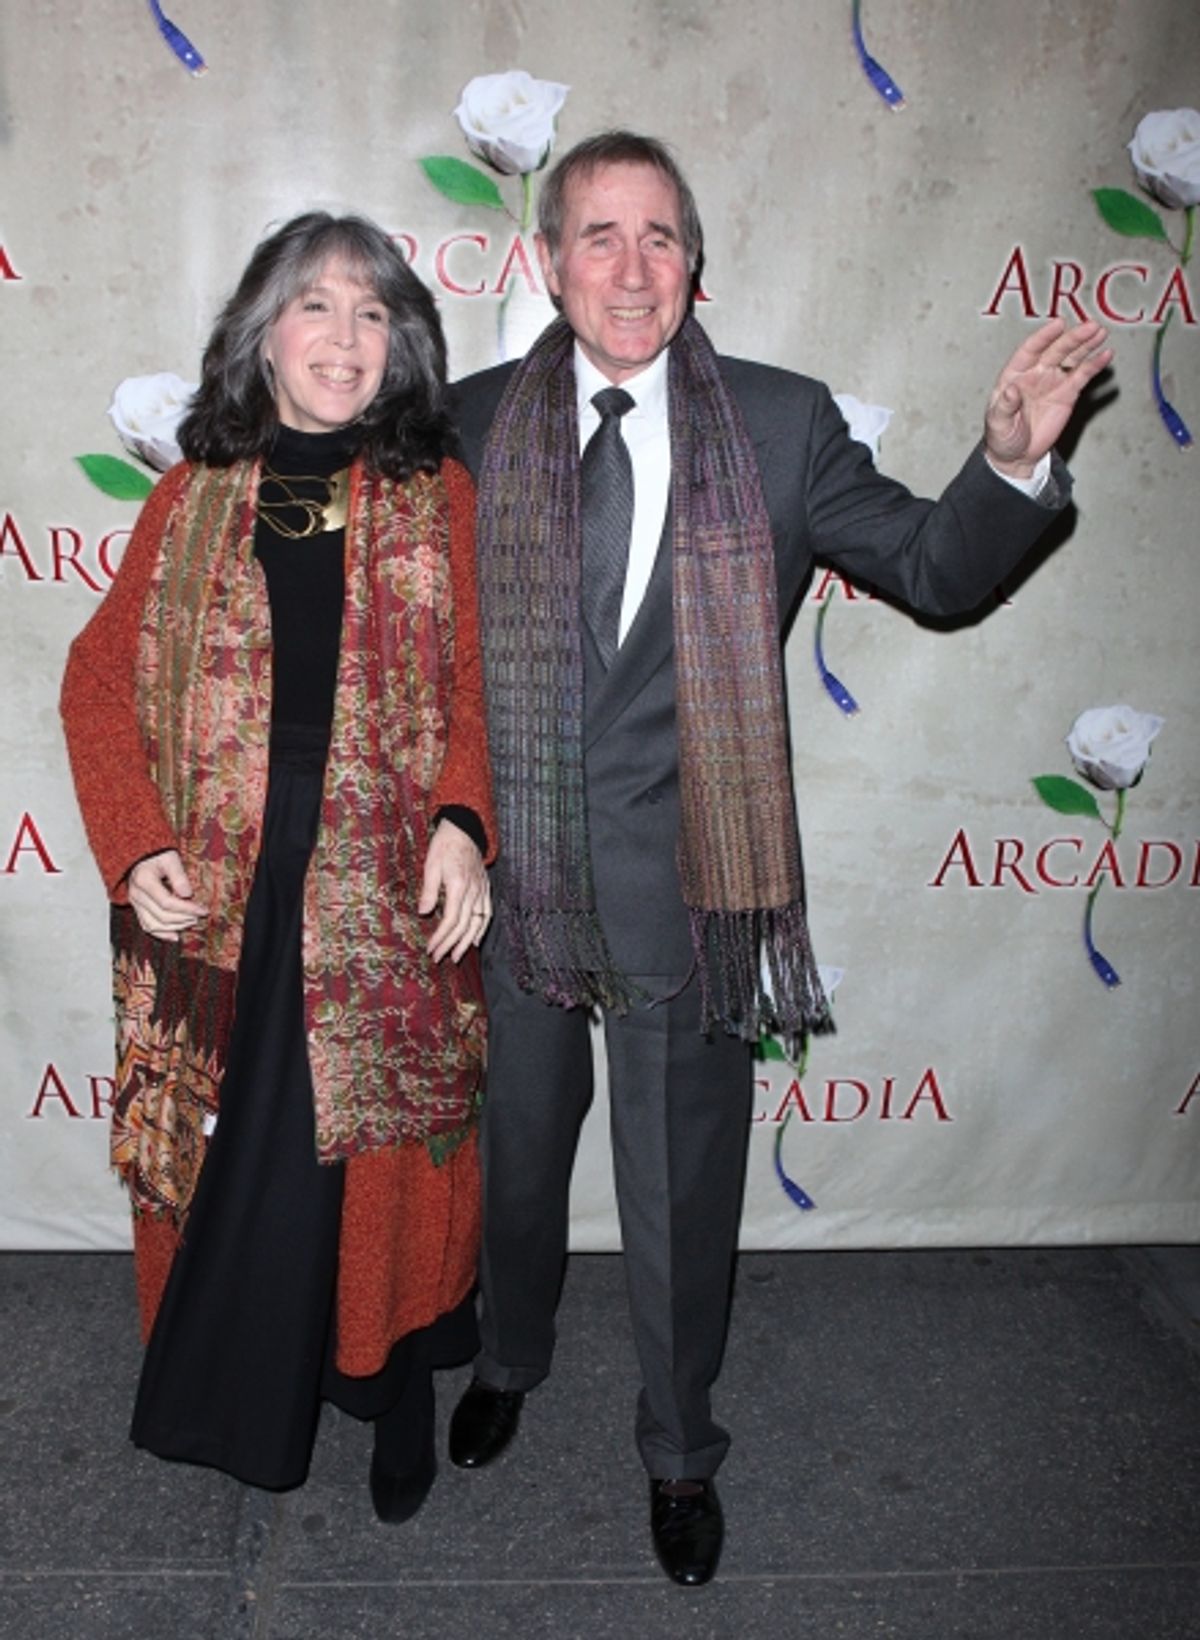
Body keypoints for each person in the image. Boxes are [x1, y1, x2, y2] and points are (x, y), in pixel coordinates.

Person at [446, 131, 1112, 1585]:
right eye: (600, 237)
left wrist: (1009, 462)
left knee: (681, 1192)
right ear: (545, 259)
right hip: (513, 891)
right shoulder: (467, 421)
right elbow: (410, 662)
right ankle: (508, 1354)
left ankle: (679, 1447)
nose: (632, 269)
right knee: (513, 1159)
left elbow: (936, 571)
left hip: (697, 880)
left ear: (698, 263)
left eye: (661, 238)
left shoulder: (780, 420)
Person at [60, 212, 495, 1522]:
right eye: (317, 308)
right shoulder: (196, 494)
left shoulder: (434, 492)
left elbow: (473, 687)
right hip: (225, 871)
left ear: (403, 344)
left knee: (388, 1156)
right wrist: (134, 843)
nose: (345, 340)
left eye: (373, 315)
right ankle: (240, 1387)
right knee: (240, 1148)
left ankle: (394, 1388)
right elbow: (97, 682)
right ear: (264, 331)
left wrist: (464, 821)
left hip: (383, 866)